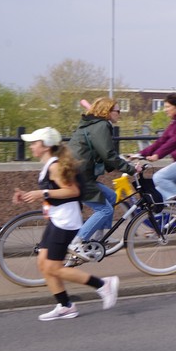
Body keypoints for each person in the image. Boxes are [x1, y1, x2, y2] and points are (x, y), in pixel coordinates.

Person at [12, 128, 118, 320]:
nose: (31, 146)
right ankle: (65, 306)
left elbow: (72, 191)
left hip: (66, 222)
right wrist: (29, 195)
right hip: (57, 219)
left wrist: (42, 193)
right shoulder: (50, 164)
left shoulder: (55, 166)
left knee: (53, 267)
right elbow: (54, 191)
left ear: (46, 146)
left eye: (35, 143)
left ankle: (103, 285)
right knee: (43, 263)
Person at [68, 97, 131, 252]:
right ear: (107, 111)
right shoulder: (101, 125)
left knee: (111, 197)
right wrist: (131, 169)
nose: (119, 114)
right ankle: (77, 242)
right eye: (117, 111)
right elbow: (108, 155)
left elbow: (104, 154)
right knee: (105, 210)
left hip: (78, 173)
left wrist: (121, 162)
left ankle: (98, 239)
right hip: (79, 176)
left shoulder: (93, 124)